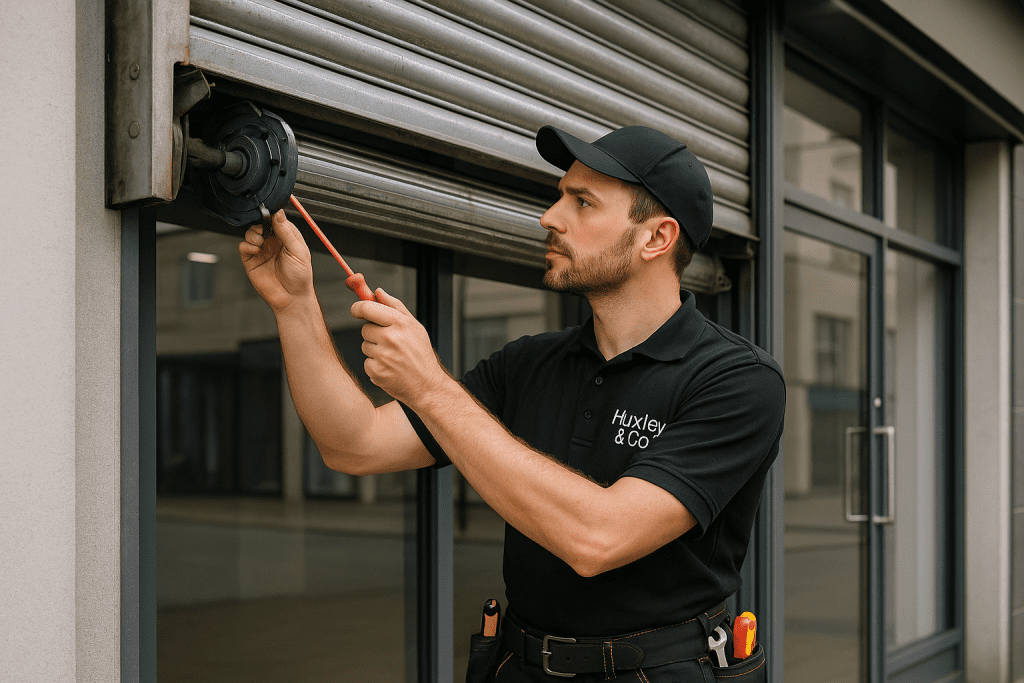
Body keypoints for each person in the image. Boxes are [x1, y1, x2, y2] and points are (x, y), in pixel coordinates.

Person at [238, 125, 785, 682]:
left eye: (582, 201)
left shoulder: (737, 380)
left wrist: (431, 387)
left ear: (655, 238)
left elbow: (598, 538)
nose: (550, 217)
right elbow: (354, 446)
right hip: (518, 665)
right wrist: (294, 304)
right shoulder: (527, 364)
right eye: (559, 195)